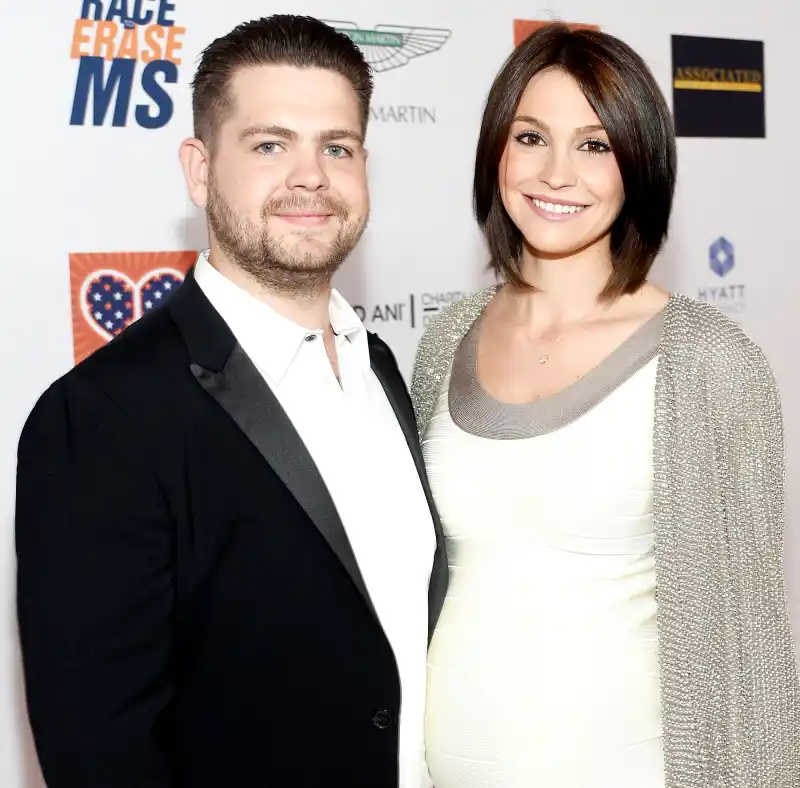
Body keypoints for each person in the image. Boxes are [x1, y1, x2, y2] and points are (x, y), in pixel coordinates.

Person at [15, 15, 447, 788]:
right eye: (270, 144)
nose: (310, 177)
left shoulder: (379, 366)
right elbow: (100, 756)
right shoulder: (103, 417)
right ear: (199, 168)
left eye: (336, 147)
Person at [410, 23, 800, 788]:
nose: (557, 173)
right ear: (497, 151)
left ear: (638, 165)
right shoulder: (445, 341)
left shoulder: (710, 363)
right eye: (531, 137)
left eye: (594, 145)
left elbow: (750, 657)